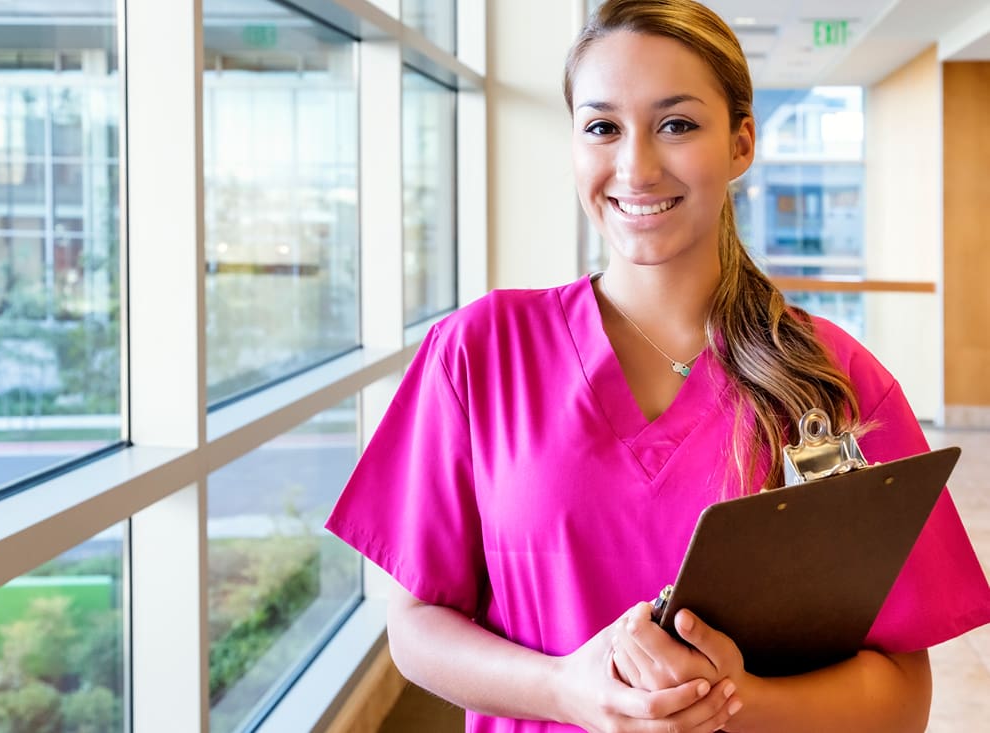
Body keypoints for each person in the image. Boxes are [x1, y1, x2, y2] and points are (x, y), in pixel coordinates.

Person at [325, 1, 990, 731]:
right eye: (602, 127)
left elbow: (900, 696)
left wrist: (734, 702)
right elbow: (417, 627)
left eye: (676, 124)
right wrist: (565, 689)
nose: (635, 166)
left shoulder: (829, 382)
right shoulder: (480, 353)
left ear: (741, 144)